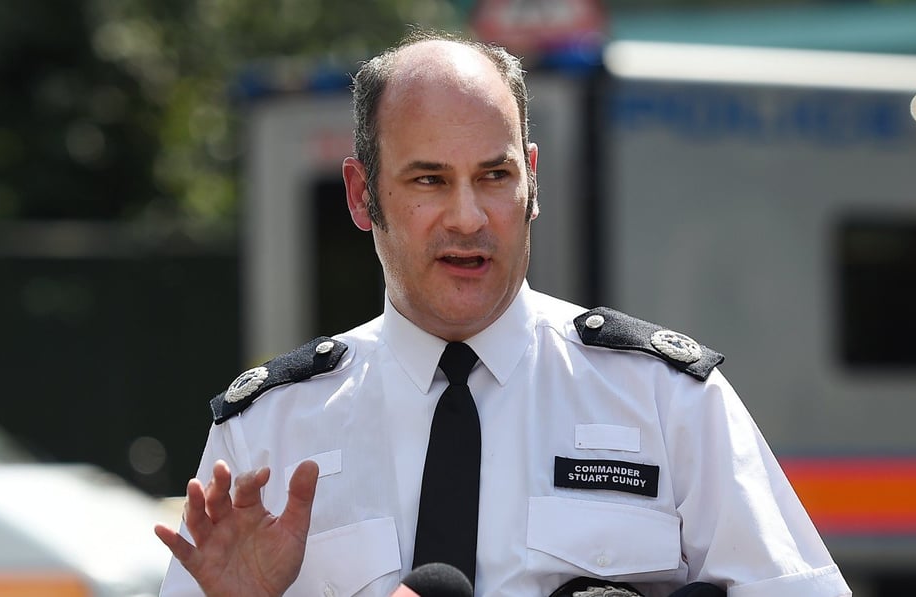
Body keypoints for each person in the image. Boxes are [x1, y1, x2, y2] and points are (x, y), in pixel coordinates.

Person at [155, 29, 852, 597]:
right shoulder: (268, 433)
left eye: (495, 176)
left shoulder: (665, 401)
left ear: (532, 180)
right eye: (429, 179)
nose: (468, 217)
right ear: (362, 195)